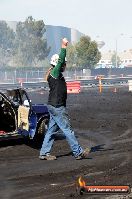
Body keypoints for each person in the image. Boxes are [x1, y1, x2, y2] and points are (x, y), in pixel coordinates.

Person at [39, 38, 90, 160]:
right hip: (57, 107)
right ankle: (78, 152)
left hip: (53, 105)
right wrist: (63, 46)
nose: (65, 66)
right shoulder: (55, 72)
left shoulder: (56, 74)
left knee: (51, 129)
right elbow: (61, 60)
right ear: (58, 64)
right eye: (64, 64)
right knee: (68, 130)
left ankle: (43, 153)